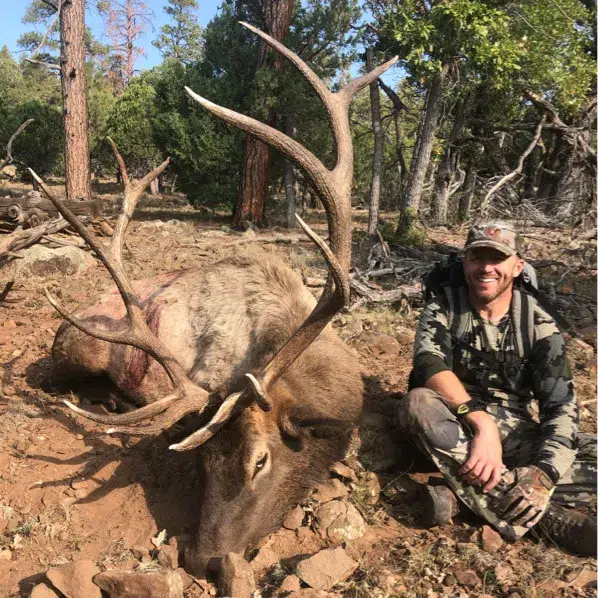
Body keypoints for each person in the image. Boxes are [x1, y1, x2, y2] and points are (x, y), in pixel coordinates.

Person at [387, 222, 598, 555]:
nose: (486, 268)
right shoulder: (442, 309)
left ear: (516, 266)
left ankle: (466, 498)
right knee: (417, 403)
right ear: (465, 263)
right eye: (477, 258)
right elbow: (429, 365)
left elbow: (560, 407)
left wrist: (543, 472)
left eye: (496, 259)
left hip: (516, 432)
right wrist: (482, 424)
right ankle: (550, 523)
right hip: (452, 425)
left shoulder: (540, 325)